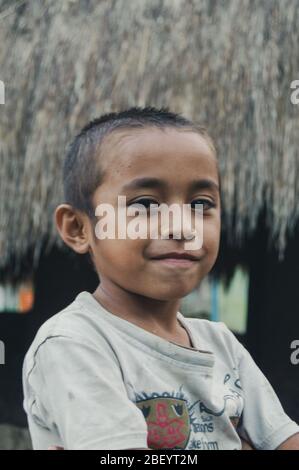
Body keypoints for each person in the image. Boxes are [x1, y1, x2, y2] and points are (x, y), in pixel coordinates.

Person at [22, 107, 299, 450]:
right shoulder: (74, 343)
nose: (182, 226)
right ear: (78, 228)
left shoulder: (221, 344)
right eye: (145, 204)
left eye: (200, 203)